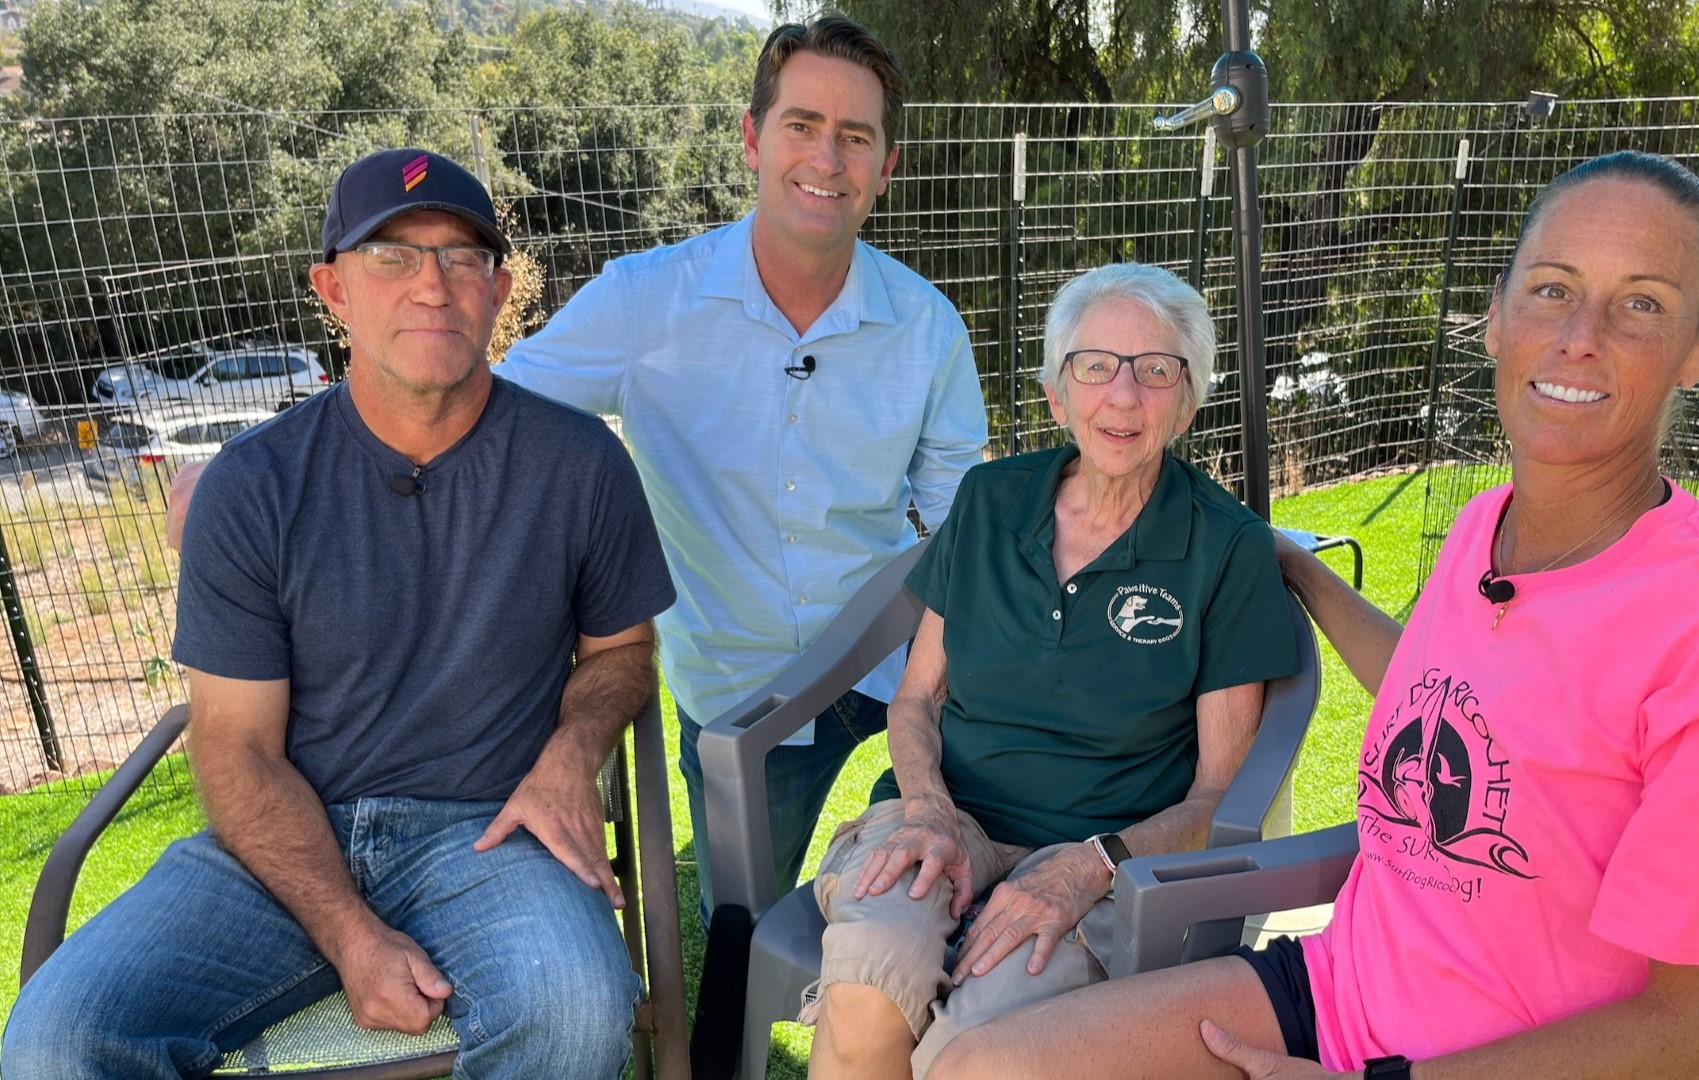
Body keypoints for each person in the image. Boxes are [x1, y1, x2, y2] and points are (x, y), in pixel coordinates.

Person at [927, 151, 1699, 1080]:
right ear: (1496, 318)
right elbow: (1445, 685)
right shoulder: (1487, 532)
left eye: (1642, 303)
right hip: (1346, 997)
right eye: (1551, 289)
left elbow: (1695, 1033)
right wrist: (1291, 563)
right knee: (980, 1067)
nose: (1582, 334)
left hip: (1508, 1060)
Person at [2, 148, 678, 1079]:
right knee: (55, 1040)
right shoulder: (252, 486)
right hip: (278, 845)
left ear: (500, 287)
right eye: (392, 257)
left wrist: (569, 758)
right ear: (333, 289)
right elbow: (236, 747)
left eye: (461, 257)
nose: (432, 286)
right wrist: (354, 936)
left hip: (489, 834)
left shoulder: (581, 465)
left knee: (573, 1007)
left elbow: (623, 653)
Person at [493, 14, 987, 918]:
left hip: (894, 658)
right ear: (754, 138)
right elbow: (487, 406)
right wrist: (272, 462)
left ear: (888, 165)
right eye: (802, 125)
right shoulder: (646, 301)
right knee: (742, 930)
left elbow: (960, 505)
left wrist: (945, 662)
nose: (826, 159)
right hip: (736, 685)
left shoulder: (926, 326)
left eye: (855, 136)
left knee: (966, 864)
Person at [805, 262, 1301, 1079]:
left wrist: (1090, 866)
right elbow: (917, 698)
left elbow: (1216, 798)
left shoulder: (1226, 545)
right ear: (1055, 393)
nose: (1124, 395)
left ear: (1188, 397)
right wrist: (927, 808)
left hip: (1103, 860)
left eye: (1156, 370)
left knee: (981, 1045)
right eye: (1096, 366)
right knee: (868, 982)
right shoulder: (992, 499)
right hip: (945, 818)